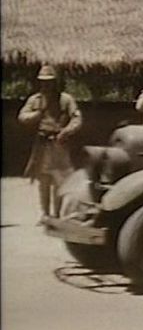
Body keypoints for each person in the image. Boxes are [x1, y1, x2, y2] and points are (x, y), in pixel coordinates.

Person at [18, 64, 83, 222]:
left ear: (55, 82)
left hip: (59, 143)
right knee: (44, 180)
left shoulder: (65, 99)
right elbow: (22, 117)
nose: (46, 85)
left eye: (49, 81)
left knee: (60, 180)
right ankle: (45, 214)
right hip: (42, 144)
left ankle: (58, 213)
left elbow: (77, 118)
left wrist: (66, 131)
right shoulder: (35, 100)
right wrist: (37, 114)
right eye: (43, 81)